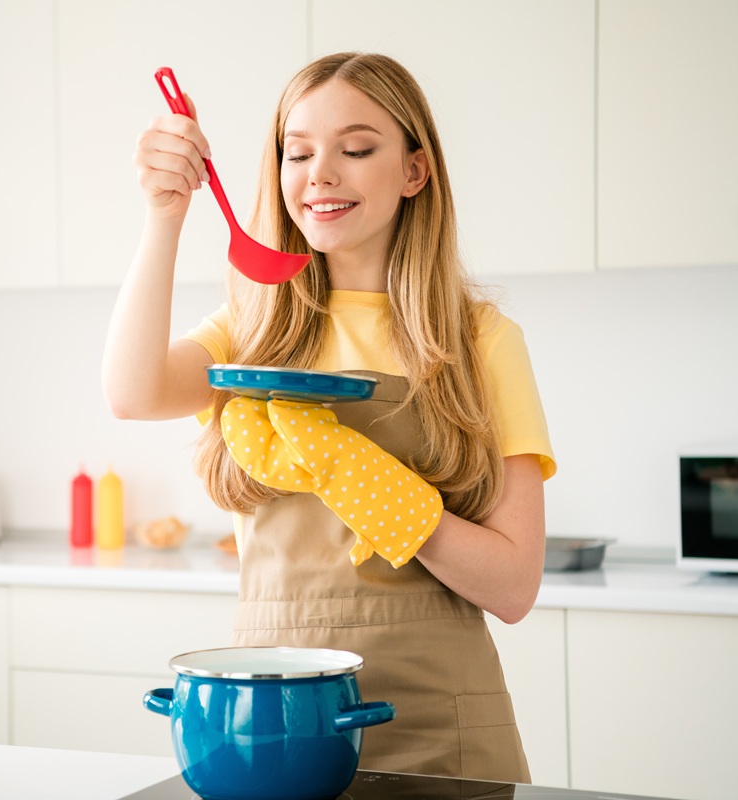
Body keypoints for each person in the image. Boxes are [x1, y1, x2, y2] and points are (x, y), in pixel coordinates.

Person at [102, 52, 556, 782]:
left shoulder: (480, 341)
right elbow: (132, 393)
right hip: (273, 721)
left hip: (440, 719)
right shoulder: (251, 332)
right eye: (298, 151)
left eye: (356, 148)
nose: (320, 173)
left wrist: (379, 491)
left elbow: (513, 587)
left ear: (414, 171)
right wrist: (165, 218)